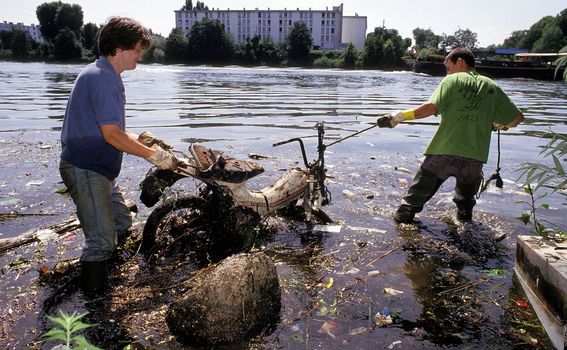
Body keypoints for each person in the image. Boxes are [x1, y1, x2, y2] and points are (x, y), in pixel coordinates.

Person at [59, 17, 178, 293]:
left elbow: (111, 130)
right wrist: (153, 156)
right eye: (137, 49)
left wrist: (144, 140)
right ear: (119, 48)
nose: (140, 56)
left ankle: (114, 273)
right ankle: (95, 305)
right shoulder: (101, 78)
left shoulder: (104, 74)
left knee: (123, 222)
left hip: (99, 171)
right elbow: (111, 135)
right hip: (86, 169)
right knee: (101, 241)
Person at [378, 47, 524, 224]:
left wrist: (398, 117)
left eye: (448, 66)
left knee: (411, 203)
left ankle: (400, 230)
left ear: (460, 62)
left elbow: (431, 108)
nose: (447, 71)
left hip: (443, 152)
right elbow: (517, 119)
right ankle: (466, 234)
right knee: (465, 206)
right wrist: (500, 125)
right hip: (474, 158)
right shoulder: (492, 86)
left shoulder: (452, 80)